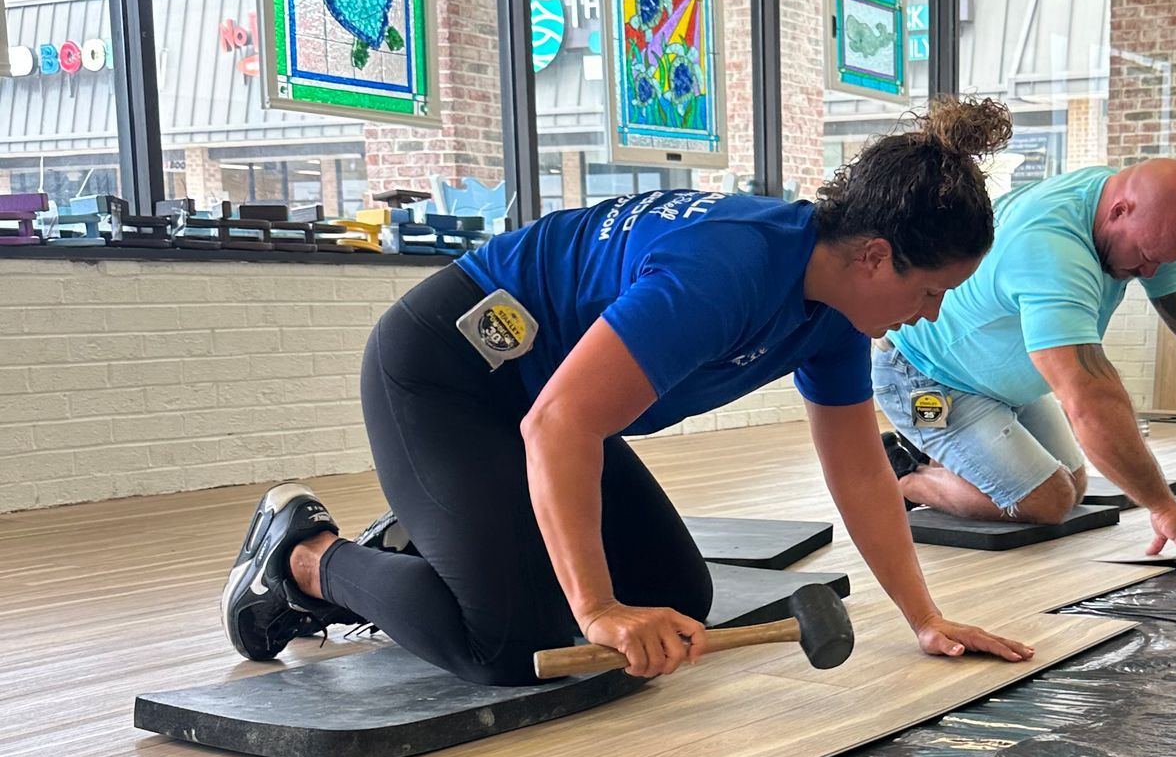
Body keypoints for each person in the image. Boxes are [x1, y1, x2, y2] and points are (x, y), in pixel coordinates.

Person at [221, 99, 1036, 684]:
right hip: (448, 375)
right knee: (511, 643)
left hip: (547, 404)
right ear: (874, 255)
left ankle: (432, 531)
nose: (927, 314)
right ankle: (303, 560)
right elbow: (559, 426)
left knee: (678, 601)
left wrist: (923, 619)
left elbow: (860, 472)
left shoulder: (830, 316)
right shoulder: (725, 270)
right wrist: (599, 608)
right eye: (931, 291)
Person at [872, 158, 1176, 565]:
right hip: (923, 378)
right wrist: (1164, 507)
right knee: (1049, 500)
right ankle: (904, 475)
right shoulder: (1050, 249)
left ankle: (957, 458)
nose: (1150, 271)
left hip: (1002, 385)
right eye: (1146, 257)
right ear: (1119, 211)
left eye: (1161, 262)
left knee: (1075, 483)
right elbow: (1091, 401)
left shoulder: (1155, 230)